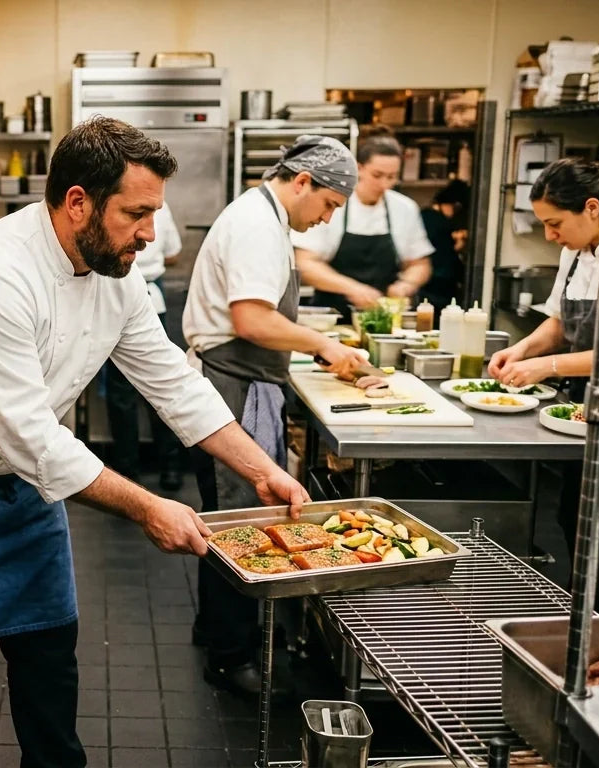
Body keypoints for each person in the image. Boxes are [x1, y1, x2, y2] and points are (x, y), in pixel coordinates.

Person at [0, 117, 309, 768]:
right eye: (137, 214)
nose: (151, 233)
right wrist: (149, 507)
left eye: (154, 214)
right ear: (78, 202)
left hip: (29, 492)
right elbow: (26, 431)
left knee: (50, 666)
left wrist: (262, 470)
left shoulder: (118, 277)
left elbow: (174, 382)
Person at [182, 135, 369, 696]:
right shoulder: (258, 225)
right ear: (302, 182)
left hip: (236, 382)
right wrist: (325, 346)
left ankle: (214, 630)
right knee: (239, 522)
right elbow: (252, 321)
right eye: (329, 206)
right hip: (231, 386)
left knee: (225, 514)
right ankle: (230, 658)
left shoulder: (262, 216)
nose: (326, 219)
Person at [488, 157, 599, 614]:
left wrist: (547, 367)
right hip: (586, 407)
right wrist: (523, 349)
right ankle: (579, 629)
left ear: (592, 207)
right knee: (577, 518)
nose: (549, 236)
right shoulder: (577, 246)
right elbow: (560, 321)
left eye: (554, 224)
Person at [293, 132, 435, 321]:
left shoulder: (405, 208)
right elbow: (304, 263)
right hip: (332, 317)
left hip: (385, 318)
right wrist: (352, 288)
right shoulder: (334, 202)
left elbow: (420, 264)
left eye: (392, 177)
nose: (385, 184)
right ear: (359, 168)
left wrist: (406, 284)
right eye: (378, 175)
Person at [103, 201, 185, 489]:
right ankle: (170, 469)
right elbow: (173, 253)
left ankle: (128, 471)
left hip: (136, 293)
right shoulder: (162, 208)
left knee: (125, 392)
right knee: (157, 387)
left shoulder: (126, 204)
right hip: (141, 289)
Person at [417, 179, 471, 311]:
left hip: (423, 282)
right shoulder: (442, 223)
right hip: (439, 284)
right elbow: (447, 256)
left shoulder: (422, 215)